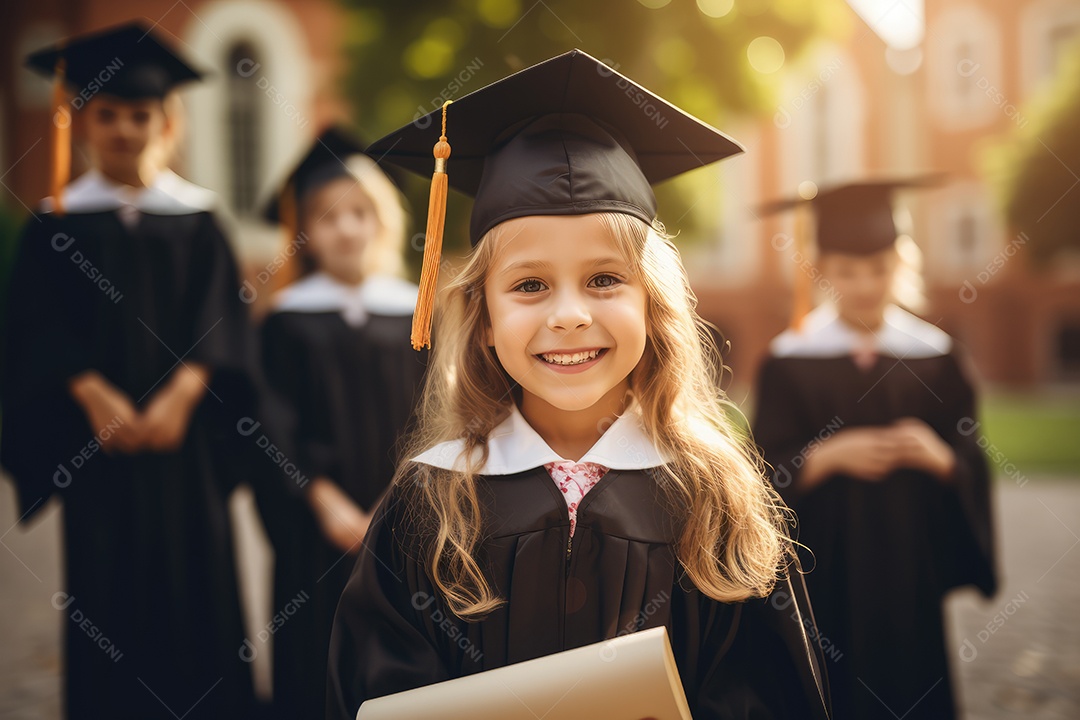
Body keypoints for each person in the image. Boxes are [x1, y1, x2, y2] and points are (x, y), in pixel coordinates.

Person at [327, 50, 831, 720]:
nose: (569, 314)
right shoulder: (431, 502)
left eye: (604, 279)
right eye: (530, 285)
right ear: (483, 321)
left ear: (653, 306)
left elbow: (768, 693)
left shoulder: (712, 496)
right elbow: (376, 691)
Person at [2, 21, 258, 718]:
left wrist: (183, 392)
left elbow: (223, 323)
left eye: (139, 115)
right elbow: (32, 333)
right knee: (106, 596)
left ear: (167, 122)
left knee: (198, 586)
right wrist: (90, 394)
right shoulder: (55, 225)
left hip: (188, 448)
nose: (124, 129)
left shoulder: (198, 220)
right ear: (84, 121)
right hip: (99, 456)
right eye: (108, 114)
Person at [752, 179, 997, 719]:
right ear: (823, 271)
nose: (865, 284)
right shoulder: (790, 359)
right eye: (847, 271)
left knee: (913, 683)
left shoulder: (934, 355)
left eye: (880, 268)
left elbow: (971, 455)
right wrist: (822, 458)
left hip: (910, 563)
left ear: (902, 264)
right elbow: (760, 469)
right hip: (822, 564)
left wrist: (941, 457)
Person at [256, 126, 426, 718]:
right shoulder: (285, 321)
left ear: (384, 221)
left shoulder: (414, 315)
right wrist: (323, 501)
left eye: (360, 213)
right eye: (328, 218)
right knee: (314, 645)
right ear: (306, 235)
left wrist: (389, 503)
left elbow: (435, 417)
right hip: (315, 530)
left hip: (401, 518)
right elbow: (273, 425)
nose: (347, 228)